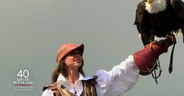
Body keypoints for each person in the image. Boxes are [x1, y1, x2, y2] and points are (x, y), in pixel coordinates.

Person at [42, 35, 176, 96]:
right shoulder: (51, 93)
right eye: (72, 54)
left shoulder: (94, 86)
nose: (77, 55)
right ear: (63, 61)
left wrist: (152, 51)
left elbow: (120, 72)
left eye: (79, 53)